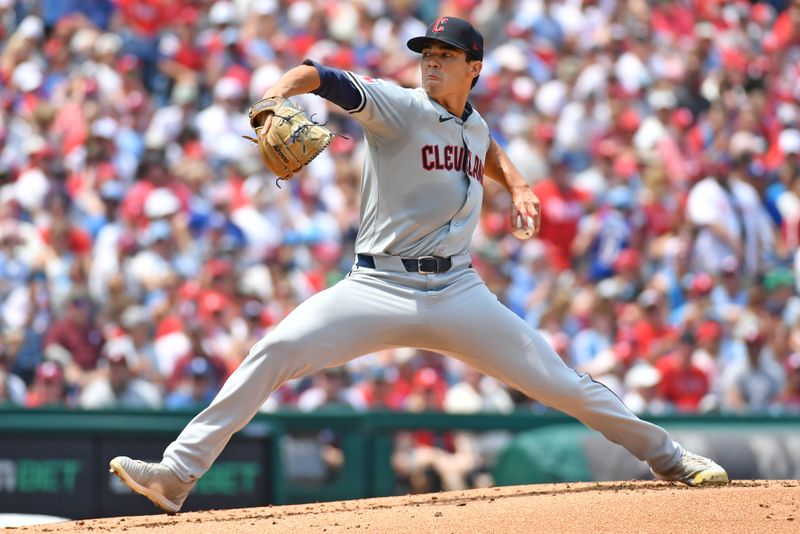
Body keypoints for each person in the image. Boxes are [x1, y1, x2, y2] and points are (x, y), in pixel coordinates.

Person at [109, 17, 728, 514]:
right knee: (274, 350)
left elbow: (482, 146)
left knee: (564, 384)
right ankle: (178, 474)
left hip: (458, 290)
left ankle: (670, 457)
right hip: (377, 285)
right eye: (426, 53)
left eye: (445, 55)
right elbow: (320, 75)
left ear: (473, 68)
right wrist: (275, 94)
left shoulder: (474, 124)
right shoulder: (397, 106)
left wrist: (518, 185)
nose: (431, 62)